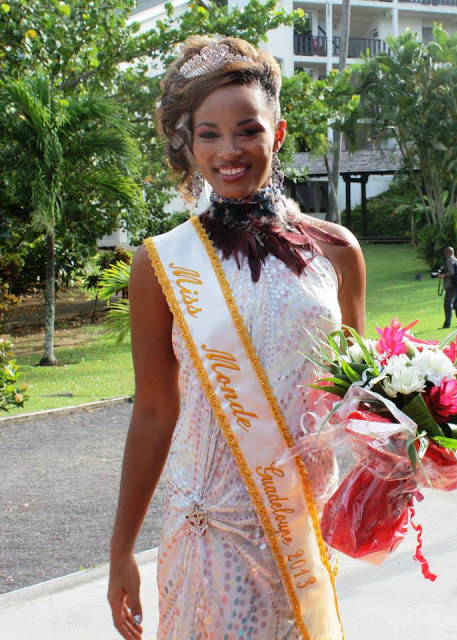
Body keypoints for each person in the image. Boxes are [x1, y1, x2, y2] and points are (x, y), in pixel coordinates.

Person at [107, 36, 366, 640]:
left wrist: (414, 440)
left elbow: (358, 396)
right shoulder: (160, 264)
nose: (229, 151)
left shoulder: (337, 251)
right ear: (188, 143)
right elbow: (151, 411)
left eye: (247, 130)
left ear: (277, 134)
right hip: (209, 527)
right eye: (209, 134)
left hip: (304, 520)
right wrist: (121, 551)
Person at [438, 246, 457, 329]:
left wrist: (443, 275)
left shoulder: (449, 261)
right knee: (456, 304)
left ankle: (447, 324)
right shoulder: (456, 260)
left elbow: (451, 272)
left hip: (450, 285)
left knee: (447, 304)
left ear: (446, 253)